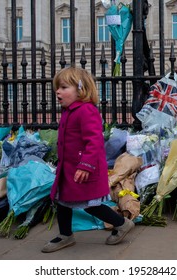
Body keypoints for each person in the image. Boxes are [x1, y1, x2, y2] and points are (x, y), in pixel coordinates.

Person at [42, 66, 134, 253]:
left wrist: (86, 165)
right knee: (62, 200)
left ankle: (121, 223)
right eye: (57, 88)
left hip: (83, 170)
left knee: (90, 204)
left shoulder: (86, 111)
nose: (58, 92)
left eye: (64, 87)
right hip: (68, 170)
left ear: (81, 89)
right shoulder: (69, 111)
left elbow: (94, 141)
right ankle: (65, 235)